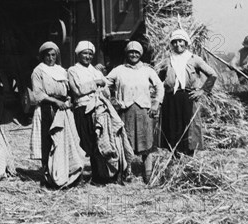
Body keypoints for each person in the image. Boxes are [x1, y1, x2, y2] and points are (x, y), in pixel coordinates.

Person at [68, 41, 134, 185]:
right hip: (83, 109)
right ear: (78, 54)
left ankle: (100, 176)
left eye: (90, 54)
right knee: (86, 142)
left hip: (99, 109)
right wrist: (96, 83)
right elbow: (77, 90)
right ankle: (81, 176)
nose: (88, 56)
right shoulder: (73, 71)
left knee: (100, 141)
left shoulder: (96, 71)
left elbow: (106, 91)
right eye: (85, 53)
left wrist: (99, 84)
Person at [106, 41, 164, 184]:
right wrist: (112, 101)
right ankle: (127, 173)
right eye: (131, 52)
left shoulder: (147, 70)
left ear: (140, 54)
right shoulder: (118, 70)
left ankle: (148, 175)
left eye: (136, 52)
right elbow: (104, 84)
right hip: (125, 111)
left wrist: (156, 103)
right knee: (127, 143)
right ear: (126, 53)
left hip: (144, 112)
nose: (133, 55)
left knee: (147, 143)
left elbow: (160, 86)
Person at [29, 42, 84, 188]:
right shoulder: (38, 71)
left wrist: (68, 100)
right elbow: (38, 93)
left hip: (63, 108)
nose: (50, 58)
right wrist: (55, 101)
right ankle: (48, 176)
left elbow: (69, 89)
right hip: (47, 108)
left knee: (64, 140)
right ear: (43, 56)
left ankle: (65, 172)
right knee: (48, 140)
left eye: (53, 55)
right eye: (47, 55)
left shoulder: (62, 71)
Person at [157, 29, 217, 156]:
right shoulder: (168, 60)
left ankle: (189, 155)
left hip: (188, 97)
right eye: (175, 42)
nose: (178, 44)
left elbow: (212, 74)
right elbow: (158, 79)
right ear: (171, 44)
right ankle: (175, 155)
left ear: (186, 42)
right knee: (172, 126)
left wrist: (202, 90)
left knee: (189, 126)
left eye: (181, 41)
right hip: (171, 98)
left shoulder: (194, 59)